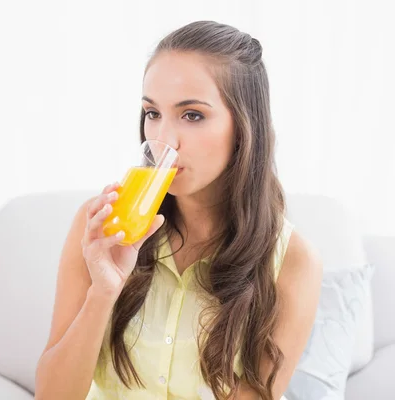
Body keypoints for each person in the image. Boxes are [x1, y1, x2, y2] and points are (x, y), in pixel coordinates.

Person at [35, 20, 322, 400]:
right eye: (152, 113)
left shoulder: (291, 262)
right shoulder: (102, 227)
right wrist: (103, 293)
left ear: (244, 126)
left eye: (192, 115)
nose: (162, 139)